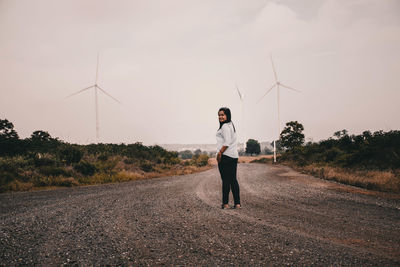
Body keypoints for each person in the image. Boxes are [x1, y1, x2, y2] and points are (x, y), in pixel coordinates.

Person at [216, 107, 241, 209]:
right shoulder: (231, 125)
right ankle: (237, 203)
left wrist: (220, 153)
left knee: (226, 180)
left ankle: (225, 204)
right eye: (219, 115)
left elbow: (227, 142)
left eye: (222, 115)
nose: (220, 117)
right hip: (233, 156)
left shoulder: (225, 127)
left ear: (227, 115)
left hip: (226, 156)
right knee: (233, 180)